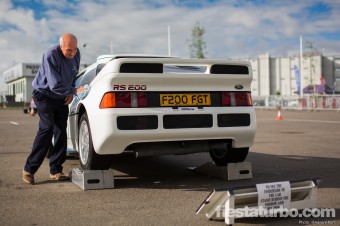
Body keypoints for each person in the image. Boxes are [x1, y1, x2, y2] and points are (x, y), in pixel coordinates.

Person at [22, 33, 81, 184]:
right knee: (47, 128)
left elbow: (73, 76)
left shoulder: (76, 53)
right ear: (61, 47)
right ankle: (29, 170)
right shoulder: (50, 55)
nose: (72, 53)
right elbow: (54, 84)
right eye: (68, 50)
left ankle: (55, 170)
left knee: (61, 130)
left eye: (74, 49)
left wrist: (70, 90)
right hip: (44, 94)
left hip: (61, 96)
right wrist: (73, 92)